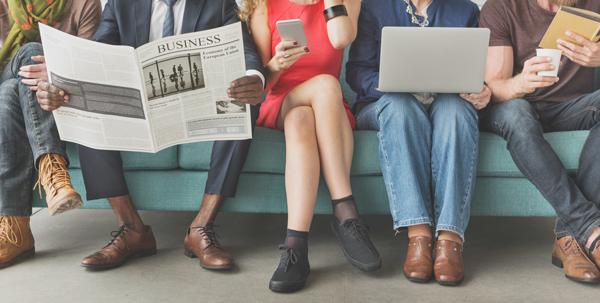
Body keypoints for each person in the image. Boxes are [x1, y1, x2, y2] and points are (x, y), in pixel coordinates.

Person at [35, 0, 266, 271]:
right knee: (90, 105)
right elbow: (93, 57)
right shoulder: (121, 4)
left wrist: (255, 79)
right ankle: (132, 229)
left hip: (195, 107)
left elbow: (247, 52)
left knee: (243, 103)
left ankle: (201, 227)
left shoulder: (218, 4)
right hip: (139, 108)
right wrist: (56, 87)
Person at [239, 0, 380, 293]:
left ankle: (295, 245)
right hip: (281, 100)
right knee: (327, 84)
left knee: (302, 118)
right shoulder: (264, 5)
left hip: (327, 109)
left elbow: (341, 38)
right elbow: (261, 85)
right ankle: (346, 212)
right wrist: (276, 63)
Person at [347, 0, 491, 286]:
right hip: (386, 104)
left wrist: (483, 90)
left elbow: (479, 72)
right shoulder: (375, 8)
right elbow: (356, 71)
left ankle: (450, 239)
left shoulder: (465, 11)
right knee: (401, 108)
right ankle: (419, 235)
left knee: (457, 112)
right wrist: (392, 83)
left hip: (445, 101)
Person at [480, 0, 600, 284]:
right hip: (516, 104)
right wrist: (522, 82)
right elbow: (494, 88)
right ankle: (591, 228)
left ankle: (568, 237)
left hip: (572, 107)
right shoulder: (500, 8)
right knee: (518, 115)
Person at [0, 0, 101, 269]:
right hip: (8, 70)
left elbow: (89, 66)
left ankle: (16, 230)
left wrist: (57, 75)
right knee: (30, 51)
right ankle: (53, 170)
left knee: (10, 93)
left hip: (59, 96)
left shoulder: (85, 4)